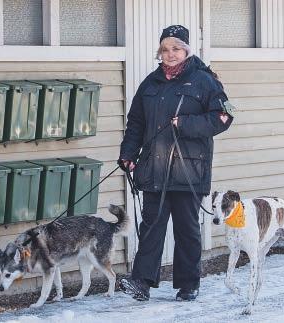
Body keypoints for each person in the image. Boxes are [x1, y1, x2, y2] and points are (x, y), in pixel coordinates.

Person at [118, 25, 233, 302]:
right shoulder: (150, 83)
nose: (170, 54)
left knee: (186, 228)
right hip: (155, 167)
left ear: (187, 50)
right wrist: (128, 154)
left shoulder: (205, 81)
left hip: (189, 169)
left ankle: (188, 284)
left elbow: (224, 118)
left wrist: (186, 124)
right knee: (151, 226)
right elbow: (135, 124)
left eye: (176, 48)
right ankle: (141, 283)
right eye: (165, 49)